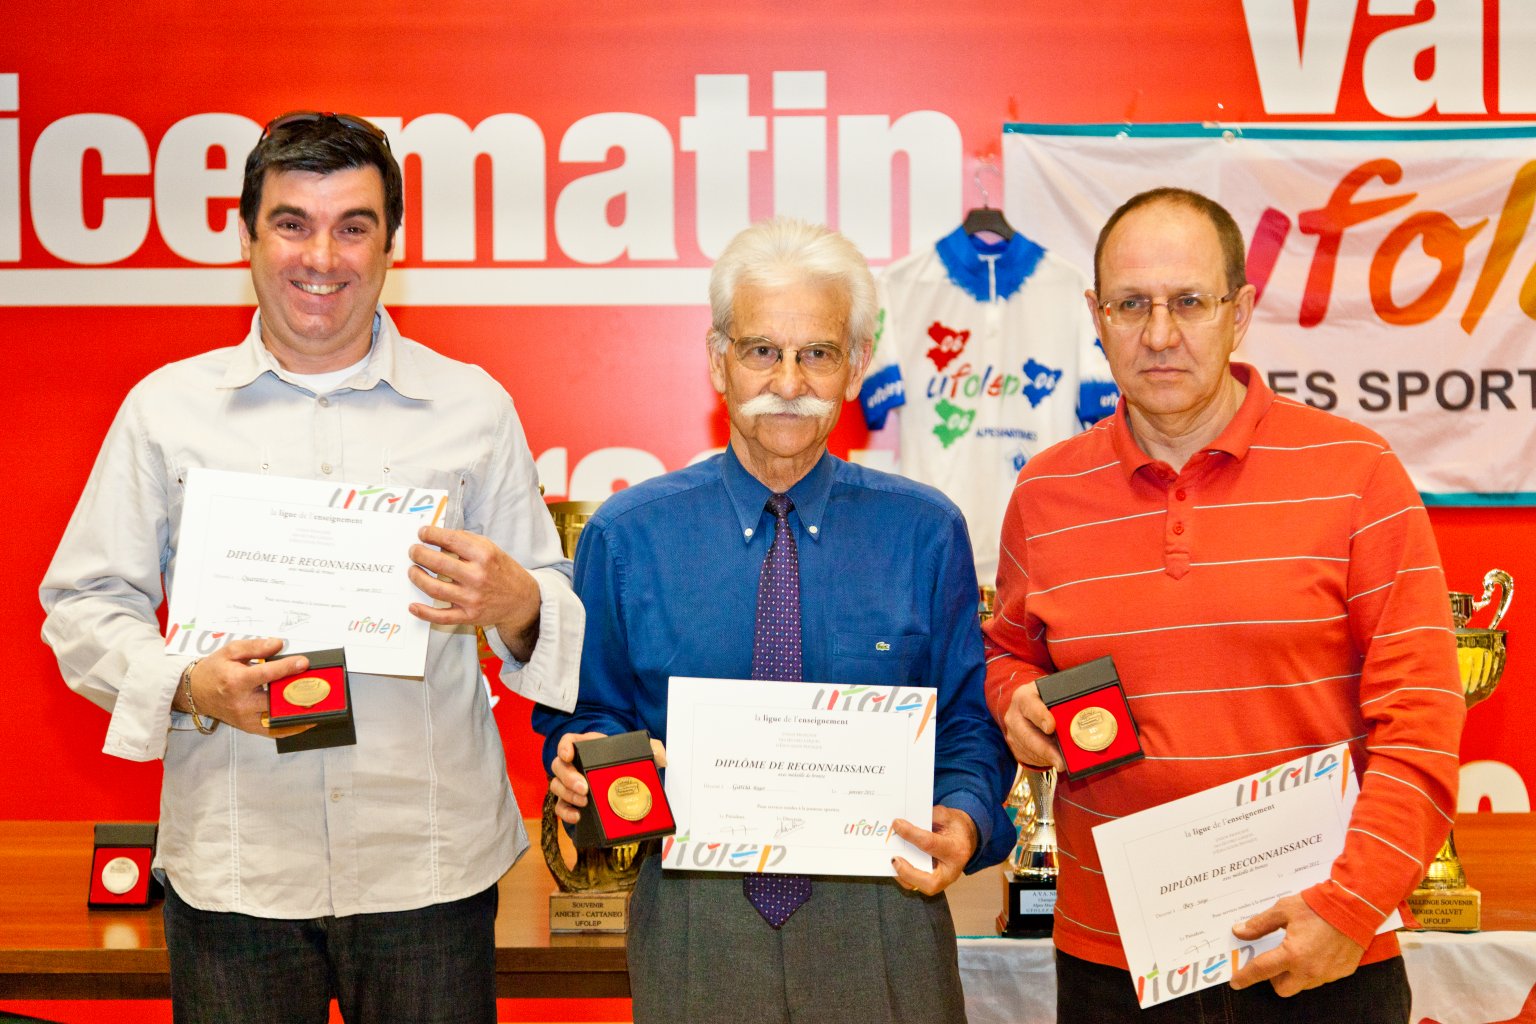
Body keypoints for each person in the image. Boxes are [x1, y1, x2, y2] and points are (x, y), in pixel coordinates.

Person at [39, 111, 582, 1024]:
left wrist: (517, 600)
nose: (321, 256)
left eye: (353, 226)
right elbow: (83, 604)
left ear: (391, 244)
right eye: (292, 223)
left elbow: (547, 602)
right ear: (246, 236)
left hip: (428, 867)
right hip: (238, 866)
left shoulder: (473, 407)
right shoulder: (166, 410)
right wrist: (189, 685)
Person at [983, 187, 1464, 1023]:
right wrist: (1015, 698)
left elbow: (1421, 717)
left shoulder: (1358, 474)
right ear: (1096, 317)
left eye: (1189, 302)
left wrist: (1350, 907)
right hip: (1112, 965)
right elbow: (1009, 652)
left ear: (1238, 313)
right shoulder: (1045, 492)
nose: (1159, 334)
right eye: (1131, 304)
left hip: (1318, 953)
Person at [533, 216, 1015, 1024]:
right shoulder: (627, 536)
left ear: (856, 366)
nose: (788, 381)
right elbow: (590, 714)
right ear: (717, 359)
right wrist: (587, 764)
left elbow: (969, 721)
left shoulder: (926, 532)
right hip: (696, 919)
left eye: (817, 353)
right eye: (761, 349)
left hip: (886, 914)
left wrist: (965, 815)